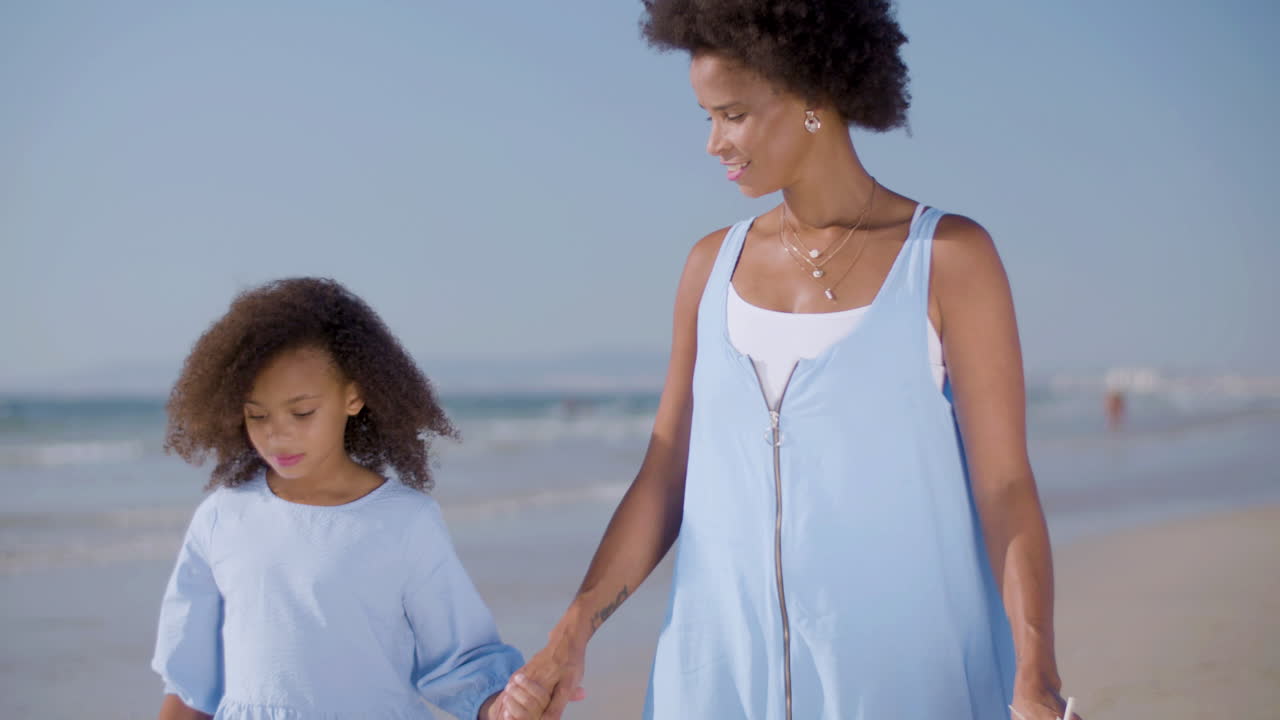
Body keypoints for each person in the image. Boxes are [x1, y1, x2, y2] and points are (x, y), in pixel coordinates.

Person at [513, 2, 1080, 719]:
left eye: (734, 114)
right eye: (706, 117)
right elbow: (665, 475)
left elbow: (1004, 485)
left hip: (904, 680)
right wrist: (574, 629)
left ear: (813, 96)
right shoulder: (708, 268)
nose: (714, 142)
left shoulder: (947, 260)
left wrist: (1037, 671)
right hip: (719, 679)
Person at [153, 277, 549, 720]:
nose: (276, 432)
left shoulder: (404, 521)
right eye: (256, 415)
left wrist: (504, 706)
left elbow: (460, 661)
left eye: (302, 412)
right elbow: (190, 683)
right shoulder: (222, 517)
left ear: (354, 396)